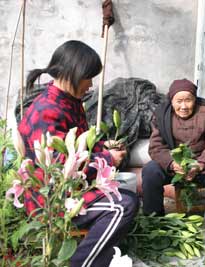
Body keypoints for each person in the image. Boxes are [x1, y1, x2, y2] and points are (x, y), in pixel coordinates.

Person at [18, 40, 138, 267]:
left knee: (124, 195)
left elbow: (81, 145)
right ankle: (82, 262)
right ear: (72, 73)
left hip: (70, 190)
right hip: (51, 199)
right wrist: (108, 160)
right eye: (88, 77)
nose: (91, 85)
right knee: (124, 204)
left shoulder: (69, 102)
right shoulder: (48, 111)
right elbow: (61, 169)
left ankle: (97, 255)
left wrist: (105, 148)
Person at [142, 78, 205, 244]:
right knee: (150, 170)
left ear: (195, 99)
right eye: (179, 101)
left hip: (201, 164)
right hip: (174, 166)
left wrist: (200, 165)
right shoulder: (162, 114)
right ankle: (154, 219)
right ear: (171, 100)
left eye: (188, 100)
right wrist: (171, 163)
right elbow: (156, 146)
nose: (183, 106)